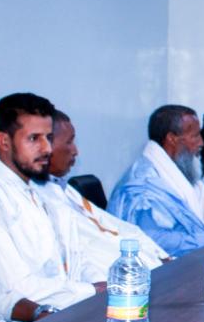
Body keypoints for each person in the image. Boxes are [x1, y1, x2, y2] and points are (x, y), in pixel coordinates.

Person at [0, 93, 105, 320]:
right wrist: (92, 290)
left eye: (49, 137)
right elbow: (19, 289)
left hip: (70, 310)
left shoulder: (40, 191)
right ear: (4, 141)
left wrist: (103, 285)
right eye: (34, 138)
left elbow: (74, 259)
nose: (47, 149)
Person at [41, 110, 168, 271]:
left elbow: (120, 229)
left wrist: (158, 255)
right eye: (69, 142)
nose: (75, 151)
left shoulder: (64, 189)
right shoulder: (40, 199)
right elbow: (87, 254)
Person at [109, 104, 204, 258]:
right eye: (195, 136)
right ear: (172, 139)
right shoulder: (144, 187)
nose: (201, 143)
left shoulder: (174, 172)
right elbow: (152, 240)